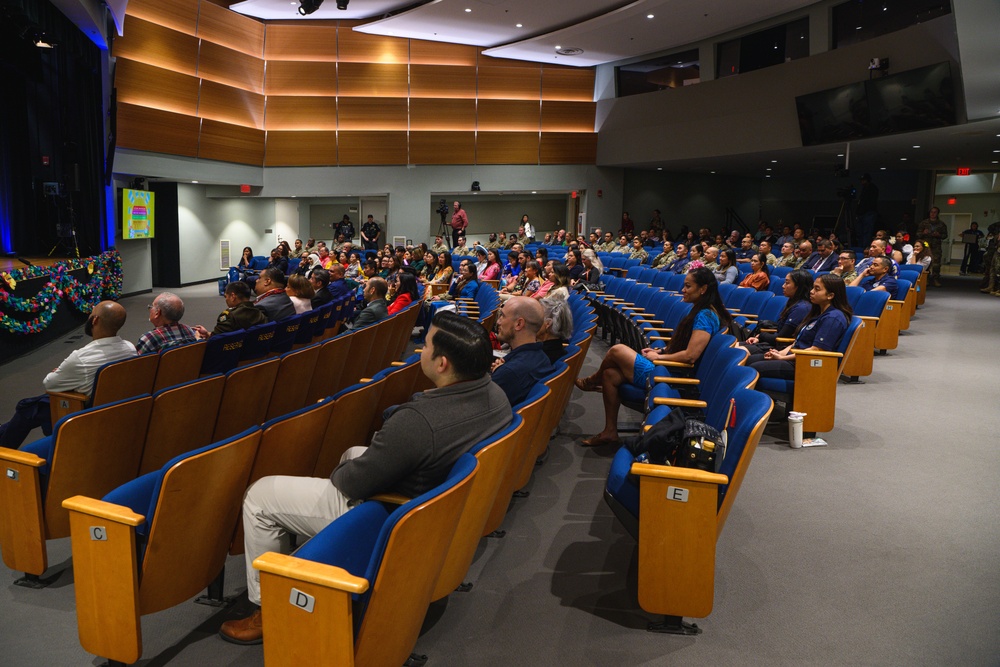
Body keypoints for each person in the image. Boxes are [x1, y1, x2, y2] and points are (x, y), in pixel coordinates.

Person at [219, 311, 512, 645]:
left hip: (392, 518)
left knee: (261, 495)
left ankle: (267, 609)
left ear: (442, 363)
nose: (421, 351)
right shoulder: (496, 396)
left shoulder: (418, 422)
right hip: (434, 498)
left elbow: (349, 483)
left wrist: (345, 471)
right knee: (354, 453)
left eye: (426, 345)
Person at [576, 268, 731, 447]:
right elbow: (684, 346)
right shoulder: (702, 311)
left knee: (617, 350)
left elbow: (690, 356)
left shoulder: (705, 315)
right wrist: (661, 352)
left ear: (703, 289)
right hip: (668, 367)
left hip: (672, 376)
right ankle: (610, 431)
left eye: (688, 286)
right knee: (610, 374)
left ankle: (591, 382)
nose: (683, 290)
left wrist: (658, 359)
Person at [0, 301, 136, 449]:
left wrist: (62, 372)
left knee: (28, 408)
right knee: (31, 406)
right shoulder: (130, 348)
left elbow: (49, 383)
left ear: (95, 320)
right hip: (116, 407)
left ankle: (5, 452)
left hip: (82, 410)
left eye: (91, 313)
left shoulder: (81, 358)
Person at [748, 274, 853, 381]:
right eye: (813, 287)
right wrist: (779, 353)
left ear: (830, 295)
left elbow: (816, 350)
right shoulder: (818, 313)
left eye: (817, 289)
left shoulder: (833, 318)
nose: (811, 291)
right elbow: (797, 342)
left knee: (753, 368)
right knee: (749, 359)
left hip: (806, 364)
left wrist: (783, 358)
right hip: (795, 357)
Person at [491, 296, 554, 406]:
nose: (499, 321)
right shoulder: (543, 358)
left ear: (519, 324)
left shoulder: (509, 373)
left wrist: (498, 374)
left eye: (503, 316)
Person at [740, 270, 813, 353]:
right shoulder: (795, 303)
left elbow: (781, 337)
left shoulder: (801, 308)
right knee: (733, 346)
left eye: (787, 283)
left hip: (778, 349)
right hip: (772, 344)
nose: (783, 286)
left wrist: (761, 335)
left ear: (798, 286)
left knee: (738, 351)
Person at [192, 281, 268, 339]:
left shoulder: (229, 316)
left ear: (233, 296)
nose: (226, 299)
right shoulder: (260, 312)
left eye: (226, 296)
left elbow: (216, 341)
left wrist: (199, 339)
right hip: (258, 354)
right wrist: (208, 334)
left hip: (235, 357)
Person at [916, 206, 948, 287]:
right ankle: (925, 279)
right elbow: (918, 234)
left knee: (936, 263)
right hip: (926, 246)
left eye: (935, 212)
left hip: (936, 246)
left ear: (937, 213)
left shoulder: (941, 224)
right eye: (931, 212)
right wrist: (923, 233)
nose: (933, 214)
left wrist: (939, 235)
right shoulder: (924, 223)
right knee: (925, 261)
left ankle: (936, 279)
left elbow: (945, 235)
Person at [537, 297, 574, 364]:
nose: (530, 321)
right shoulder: (557, 348)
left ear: (547, 324)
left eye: (535, 317)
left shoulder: (541, 357)